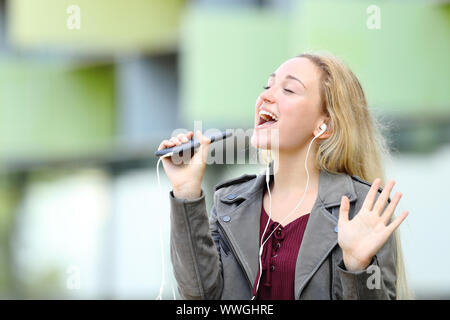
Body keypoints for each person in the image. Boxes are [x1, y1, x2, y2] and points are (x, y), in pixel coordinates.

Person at [158, 52, 411, 300]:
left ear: (326, 125)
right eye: (267, 86)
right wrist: (186, 193)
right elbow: (197, 298)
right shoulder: (229, 203)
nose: (265, 96)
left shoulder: (362, 209)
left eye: (288, 90)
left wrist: (357, 268)